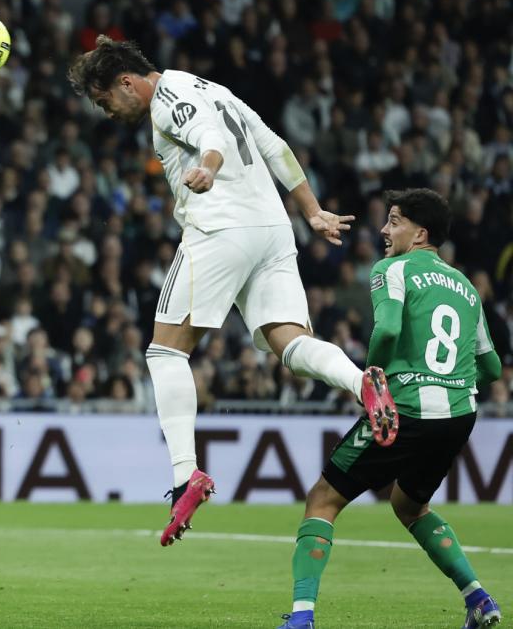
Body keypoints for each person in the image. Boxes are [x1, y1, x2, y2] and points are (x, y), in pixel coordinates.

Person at [67, 37, 396, 545]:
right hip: (273, 228)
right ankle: (361, 385)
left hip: (220, 228)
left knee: (164, 351)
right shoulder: (214, 88)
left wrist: (210, 166)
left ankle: (185, 475)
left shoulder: (170, 96)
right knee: (288, 340)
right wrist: (311, 209)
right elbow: (274, 146)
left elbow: (206, 135)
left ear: (127, 82)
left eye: (104, 99)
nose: (106, 111)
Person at [276, 189, 502, 629]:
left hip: (406, 408)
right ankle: (478, 598)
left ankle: (301, 617)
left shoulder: (391, 269)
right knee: (410, 506)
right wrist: (451, 383)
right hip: (458, 416)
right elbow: (491, 365)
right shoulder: (467, 288)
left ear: (420, 235)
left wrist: (371, 376)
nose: (383, 230)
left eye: (394, 221)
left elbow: (390, 327)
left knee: (322, 500)